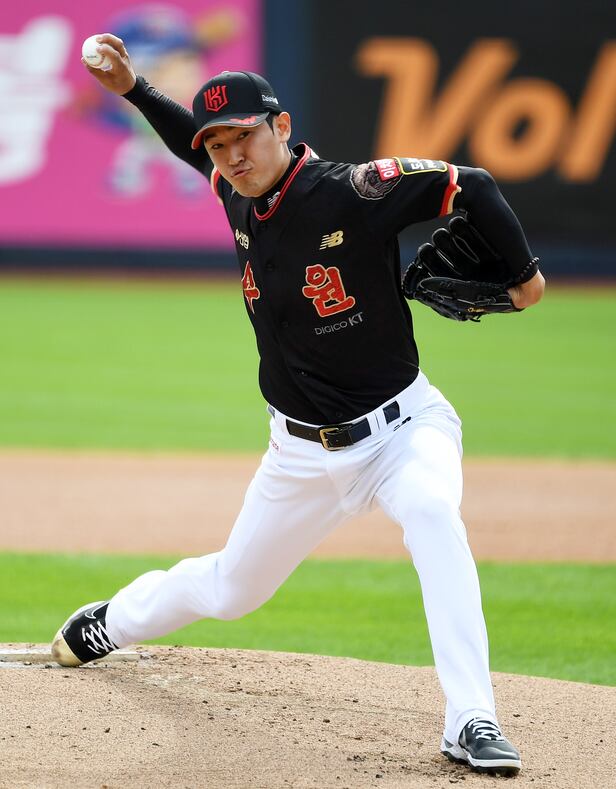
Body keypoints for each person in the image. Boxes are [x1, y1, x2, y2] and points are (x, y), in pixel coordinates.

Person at [52, 34, 545, 777]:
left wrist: (525, 280)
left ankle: (472, 718)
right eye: (218, 145)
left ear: (281, 126)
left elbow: (469, 182)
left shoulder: (355, 191)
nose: (230, 156)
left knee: (432, 512)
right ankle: (110, 622)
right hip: (297, 454)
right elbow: (188, 140)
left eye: (243, 137)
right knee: (233, 589)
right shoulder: (236, 191)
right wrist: (132, 88)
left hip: (403, 431)